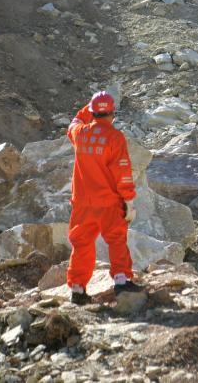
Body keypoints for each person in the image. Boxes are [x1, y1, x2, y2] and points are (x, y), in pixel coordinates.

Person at [65, 90, 142, 305]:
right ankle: (121, 280)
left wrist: (90, 106)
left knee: (81, 244)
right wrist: (129, 202)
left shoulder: (79, 134)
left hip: (82, 203)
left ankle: (78, 289)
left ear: (92, 113)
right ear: (112, 113)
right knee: (116, 240)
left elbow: (75, 121)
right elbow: (123, 173)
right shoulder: (115, 138)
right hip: (108, 202)